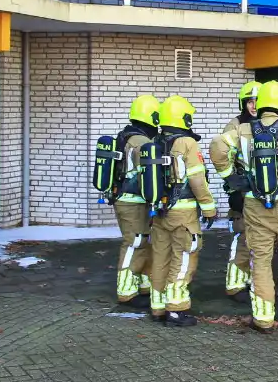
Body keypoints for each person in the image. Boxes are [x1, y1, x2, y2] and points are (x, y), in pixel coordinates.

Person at [211, 80, 278, 333]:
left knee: (259, 260)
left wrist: (233, 178)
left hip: (254, 205)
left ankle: (263, 317)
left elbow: (217, 147)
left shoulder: (244, 131)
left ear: (260, 104)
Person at [146, 95, 217, 326]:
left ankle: (157, 308)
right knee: (184, 257)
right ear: (183, 118)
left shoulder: (155, 141)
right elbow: (197, 180)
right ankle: (176, 310)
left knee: (160, 258)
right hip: (183, 214)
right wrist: (209, 208)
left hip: (159, 212)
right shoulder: (187, 143)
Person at [111, 94, 159, 309]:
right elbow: (150, 174)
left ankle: (143, 284)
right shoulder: (141, 142)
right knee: (135, 243)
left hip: (130, 200)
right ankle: (126, 291)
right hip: (133, 202)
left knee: (143, 242)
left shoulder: (126, 136)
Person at [218, 80, 260, 303]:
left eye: (257, 101)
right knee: (243, 236)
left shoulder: (267, 125)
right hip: (243, 192)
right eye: (250, 102)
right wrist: (234, 185)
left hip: (262, 192)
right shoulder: (234, 126)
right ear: (243, 103)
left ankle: (255, 280)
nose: (254, 106)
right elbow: (224, 157)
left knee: (259, 240)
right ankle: (235, 285)